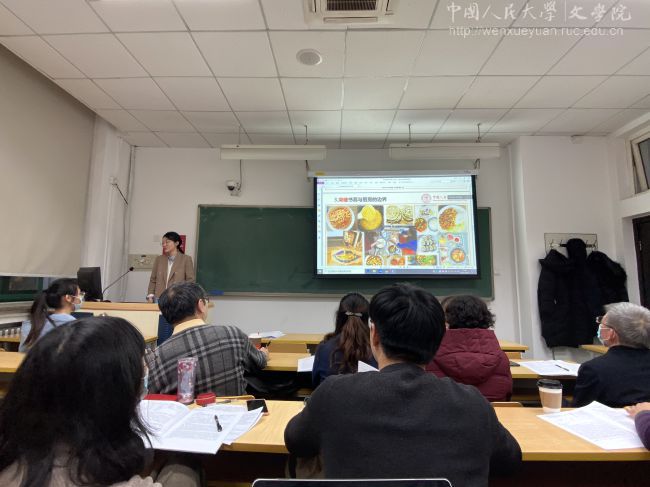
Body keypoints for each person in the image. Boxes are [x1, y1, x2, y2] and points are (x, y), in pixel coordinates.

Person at [285, 283, 521, 484]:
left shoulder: (334, 394)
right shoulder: (473, 405)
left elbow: (296, 442)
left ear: (374, 335)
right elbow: (509, 463)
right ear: (439, 340)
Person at [0, 316, 201, 487]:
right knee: (182, 470)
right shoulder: (98, 470)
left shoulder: (17, 459)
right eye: (142, 365)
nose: (146, 370)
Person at [146, 282, 268, 396]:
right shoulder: (232, 334)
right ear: (201, 305)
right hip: (233, 410)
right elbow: (260, 362)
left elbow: (152, 396)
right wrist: (264, 353)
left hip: (187, 412)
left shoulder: (156, 357)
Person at [426, 295, 512, 402]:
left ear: (448, 321)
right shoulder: (502, 358)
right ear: (486, 319)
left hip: (444, 412)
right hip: (491, 412)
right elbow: (507, 394)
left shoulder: (431, 357)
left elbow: (428, 395)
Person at [573, 302, 650, 408]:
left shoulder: (593, 369)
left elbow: (579, 409)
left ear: (611, 334)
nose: (599, 327)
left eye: (601, 324)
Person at [312, 293, 377, 387]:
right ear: (366, 319)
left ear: (339, 317)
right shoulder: (377, 349)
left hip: (330, 396)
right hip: (367, 396)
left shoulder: (324, 348)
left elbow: (315, 382)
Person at [19, 278, 82, 352]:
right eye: (79, 294)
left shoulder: (31, 323)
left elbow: (22, 353)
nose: (81, 298)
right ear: (68, 298)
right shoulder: (77, 326)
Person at [147, 231, 195, 302]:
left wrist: (185, 297)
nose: (164, 245)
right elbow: (153, 280)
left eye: (167, 242)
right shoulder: (159, 259)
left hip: (178, 298)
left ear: (176, 243)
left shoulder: (186, 259)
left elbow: (190, 281)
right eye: (163, 243)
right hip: (159, 298)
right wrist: (150, 295)